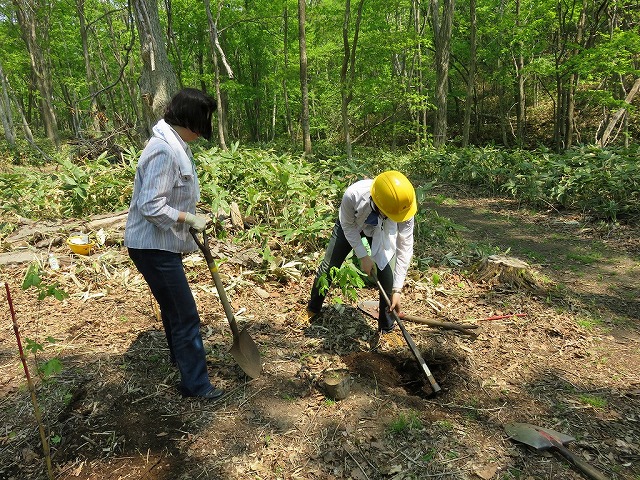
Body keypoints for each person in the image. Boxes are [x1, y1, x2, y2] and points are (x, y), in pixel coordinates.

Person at [124, 88, 224, 400]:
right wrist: (186, 218)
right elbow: (151, 206)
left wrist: (189, 216)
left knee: (173, 310)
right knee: (185, 315)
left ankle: (180, 361)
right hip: (153, 247)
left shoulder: (174, 144)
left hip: (162, 244)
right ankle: (196, 385)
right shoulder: (163, 150)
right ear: (193, 121)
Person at [305, 170, 417, 351]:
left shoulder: (404, 208)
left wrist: (397, 289)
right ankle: (313, 308)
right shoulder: (354, 195)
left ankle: (387, 328)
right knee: (329, 267)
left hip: (381, 232)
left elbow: (405, 246)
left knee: (388, 277)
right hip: (351, 226)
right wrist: (362, 256)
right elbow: (347, 226)